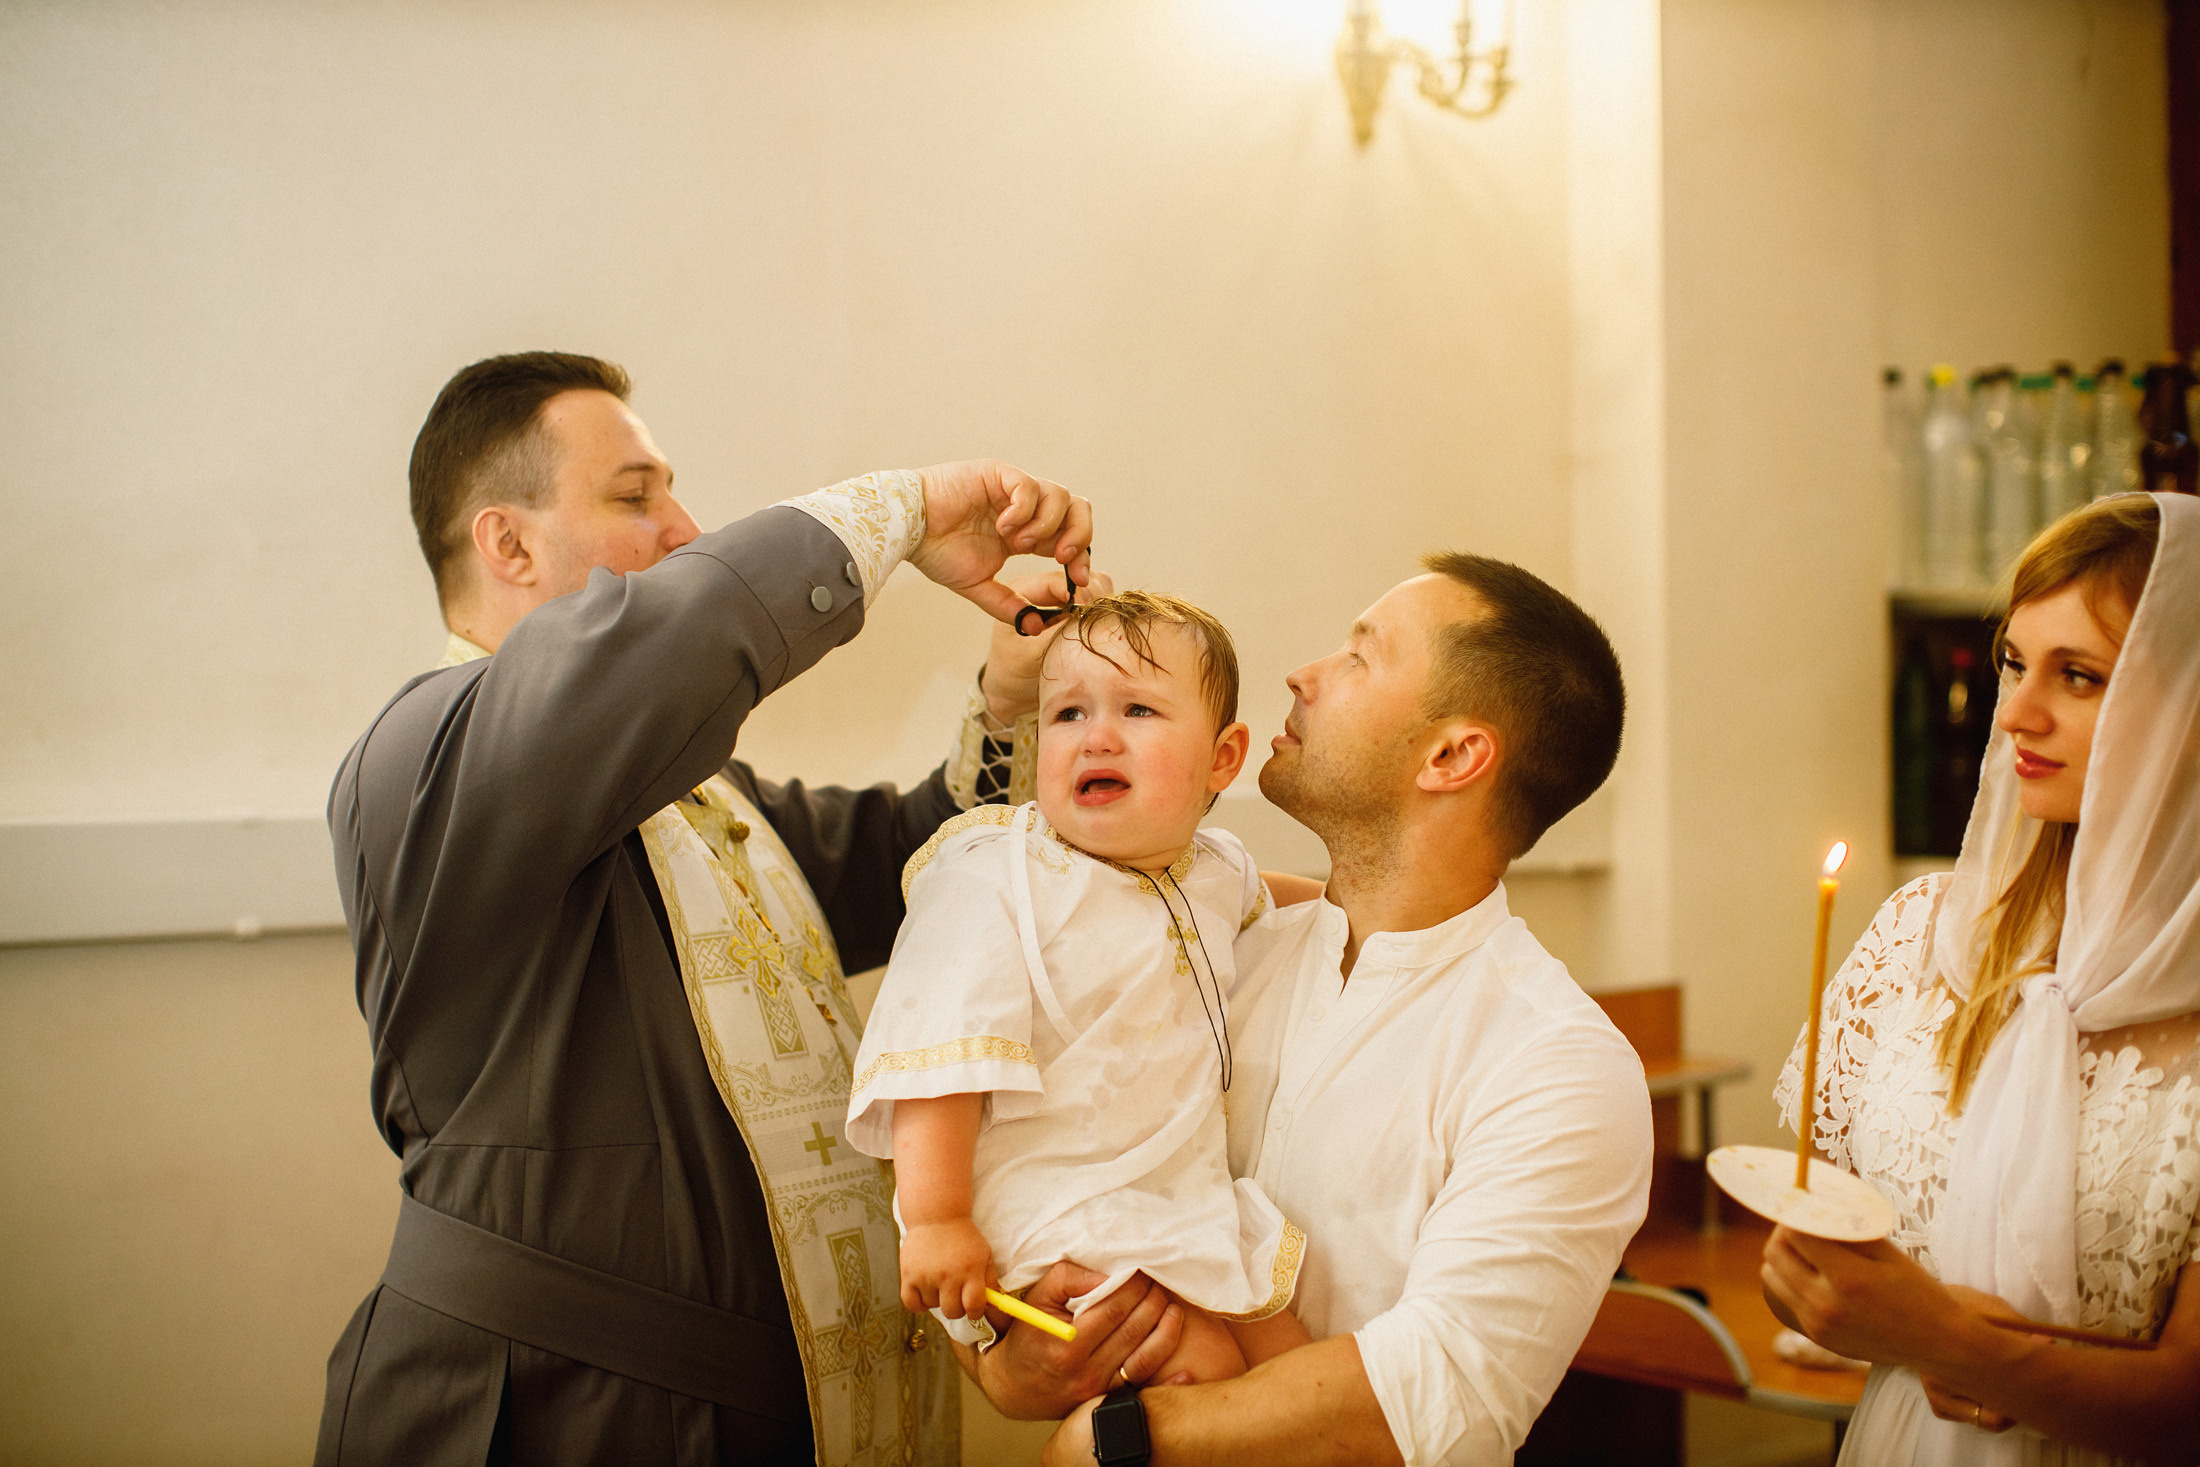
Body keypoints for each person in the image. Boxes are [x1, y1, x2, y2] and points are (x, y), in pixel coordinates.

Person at [316, 350, 1106, 1467]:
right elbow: (666, 644)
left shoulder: (699, 795)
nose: (685, 527)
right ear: (508, 543)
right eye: (635, 496)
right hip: (580, 1412)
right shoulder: (426, 756)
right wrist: (909, 508)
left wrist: (1013, 702)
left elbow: (913, 861)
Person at [973, 553, 1652, 1465]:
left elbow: (1441, 1389)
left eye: (1359, 656)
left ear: (1453, 755)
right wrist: (1007, 1364)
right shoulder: (1214, 947)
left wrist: (1115, 1441)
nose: (1304, 673)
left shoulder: (1558, 1064)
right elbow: (1051, 1152)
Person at [1765, 491, 2200, 1466]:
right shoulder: (1919, 938)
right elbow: (1816, 1267)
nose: (2015, 713)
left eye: (2078, 676)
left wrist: (1949, 1342)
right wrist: (1816, 1288)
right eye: (2012, 662)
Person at [844, 592, 1312, 1389]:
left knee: (1293, 1357)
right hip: (1060, 1205)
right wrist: (936, 1218)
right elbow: (939, 1056)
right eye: (1066, 713)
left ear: (1223, 759)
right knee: (1203, 1366)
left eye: (1136, 708)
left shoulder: (1214, 866)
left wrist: (1368, 904)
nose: (1096, 735)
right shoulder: (997, 874)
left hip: (1169, 1188)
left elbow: (1303, 901)